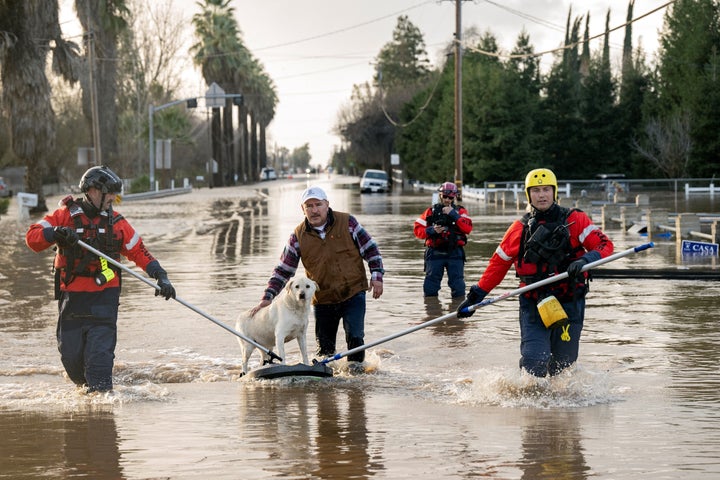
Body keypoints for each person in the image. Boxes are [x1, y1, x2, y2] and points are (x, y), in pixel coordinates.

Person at [25, 165, 176, 392]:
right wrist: (55, 232)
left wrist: (161, 276)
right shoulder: (64, 216)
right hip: (72, 299)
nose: (113, 198)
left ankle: (103, 413)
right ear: (93, 190)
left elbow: (140, 252)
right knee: (72, 363)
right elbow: (32, 238)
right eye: (110, 193)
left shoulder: (117, 223)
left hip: (105, 300)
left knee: (99, 368)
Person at [457, 168, 614, 377]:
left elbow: (604, 245)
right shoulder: (518, 229)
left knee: (563, 367)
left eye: (546, 189)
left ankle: (556, 409)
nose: (542, 195)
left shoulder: (576, 220)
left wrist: (586, 259)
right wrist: (475, 297)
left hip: (569, 301)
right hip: (534, 302)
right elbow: (497, 266)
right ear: (529, 195)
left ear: (554, 192)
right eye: (536, 190)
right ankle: (531, 406)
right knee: (534, 363)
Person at [251, 186, 384, 364]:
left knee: (355, 338)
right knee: (325, 350)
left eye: (318, 205)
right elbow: (284, 270)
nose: (314, 210)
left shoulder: (348, 222)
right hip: (322, 298)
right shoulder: (297, 236)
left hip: (353, 291)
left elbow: (371, 249)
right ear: (303, 209)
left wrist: (376, 276)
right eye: (309, 206)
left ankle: (356, 381)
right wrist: (268, 297)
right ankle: (325, 382)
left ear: (327, 205)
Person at [413, 181, 473, 298]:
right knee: (430, 286)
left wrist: (454, 215)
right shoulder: (431, 212)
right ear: (440, 196)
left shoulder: (460, 212)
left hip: (454, 252)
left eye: (450, 197)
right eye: (445, 196)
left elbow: (468, 228)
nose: (447, 200)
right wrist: (432, 230)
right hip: (435, 252)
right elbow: (417, 230)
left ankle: (457, 311)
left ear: (454, 197)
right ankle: (432, 312)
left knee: (458, 287)